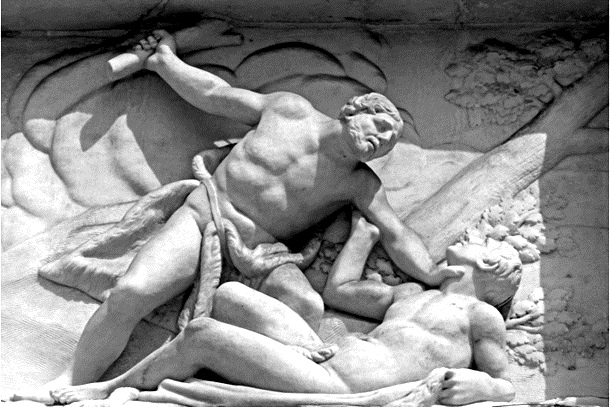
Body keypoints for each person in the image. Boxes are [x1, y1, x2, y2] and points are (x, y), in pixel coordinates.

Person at [12, 29, 462, 403]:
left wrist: (431, 272)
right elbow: (214, 95)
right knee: (132, 292)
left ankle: (250, 375)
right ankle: (72, 381)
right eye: (380, 127)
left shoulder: (359, 183)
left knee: (306, 306)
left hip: (262, 250)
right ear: (355, 110)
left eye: (388, 143)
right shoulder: (288, 111)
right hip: (206, 215)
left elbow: (396, 233)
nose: (380, 142)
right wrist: (165, 62)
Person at [50, 211, 519, 406]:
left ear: (492, 266)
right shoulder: (410, 295)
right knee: (230, 296)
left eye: (479, 243)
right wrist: (363, 236)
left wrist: (483, 386)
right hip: (322, 358)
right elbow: (340, 290)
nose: (469, 239)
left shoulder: (480, 316)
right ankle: (298, 348)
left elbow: (506, 384)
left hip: (341, 385)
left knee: (203, 334)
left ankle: (107, 388)